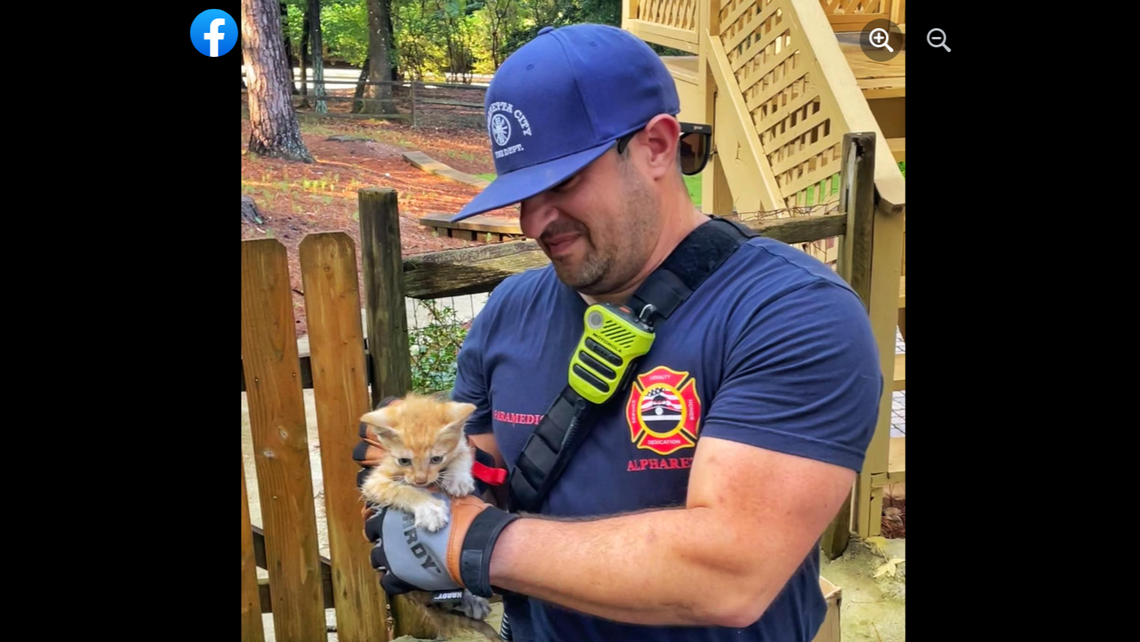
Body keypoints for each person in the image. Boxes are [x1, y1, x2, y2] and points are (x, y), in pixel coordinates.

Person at [355, 23, 882, 642]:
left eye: (561, 183)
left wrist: (478, 544)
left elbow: (732, 572)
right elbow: (491, 476)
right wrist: (424, 476)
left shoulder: (790, 314)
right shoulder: (510, 310)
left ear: (657, 146)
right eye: (522, 193)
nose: (533, 221)